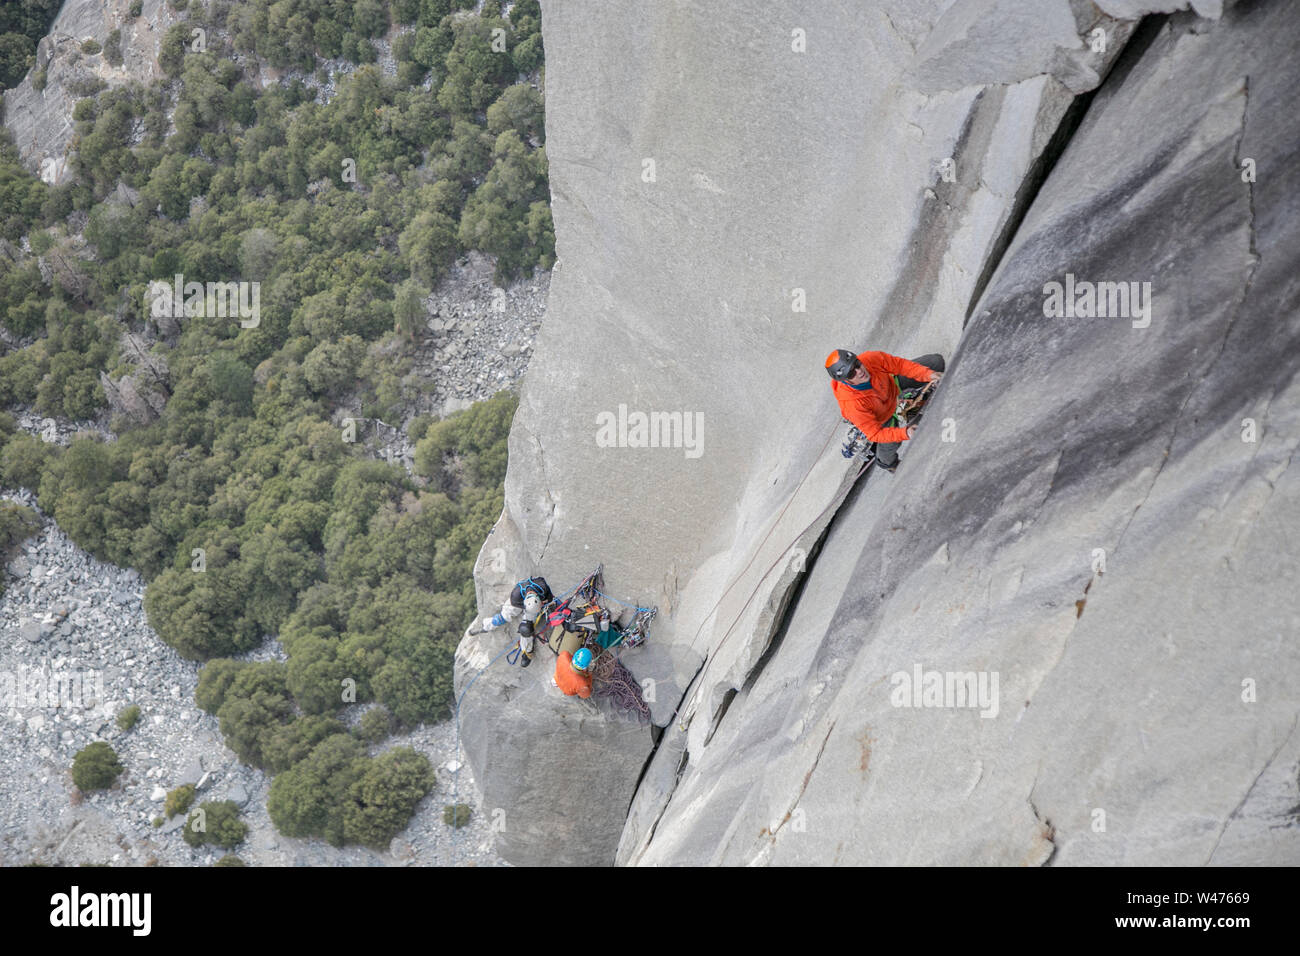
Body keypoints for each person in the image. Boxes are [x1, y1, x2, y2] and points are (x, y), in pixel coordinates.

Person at [824, 349, 945, 471]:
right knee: (890, 447)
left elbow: (901, 365)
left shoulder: (870, 358)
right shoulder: (852, 405)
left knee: (935, 362)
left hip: (893, 387)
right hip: (883, 418)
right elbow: (875, 434)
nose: (859, 371)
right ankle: (887, 463)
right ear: (845, 380)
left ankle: (908, 404)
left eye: (857, 364)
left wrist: (929, 374)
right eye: (851, 374)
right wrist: (905, 433)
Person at [468, 576, 554, 667]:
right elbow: (516, 606)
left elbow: (550, 598)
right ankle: (487, 626)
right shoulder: (515, 595)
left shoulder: (542, 587)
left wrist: (543, 604)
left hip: (533, 603)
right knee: (503, 617)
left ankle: (527, 651)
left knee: (526, 629)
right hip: (521, 601)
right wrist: (526, 609)